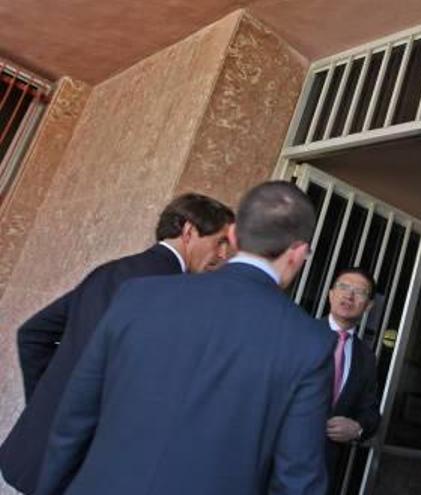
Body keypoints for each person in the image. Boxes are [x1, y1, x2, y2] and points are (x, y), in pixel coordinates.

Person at [35, 181, 334, 495]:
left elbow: (73, 422)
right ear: (299, 253)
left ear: (233, 236)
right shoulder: (309, 342)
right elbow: (298, 480)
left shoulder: (138, 295)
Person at [0, 192, 235, 494]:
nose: (223, 256)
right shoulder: (173, 291)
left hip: (38, 453)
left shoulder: (109, 271)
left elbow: (32, 334)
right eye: (220, 242)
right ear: (188, 231)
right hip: (87, 468)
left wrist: (50, 404)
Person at [324, 267, 381, 493]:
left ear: (368, 306)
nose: (349, 295)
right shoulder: (301, 334)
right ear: (331, 294)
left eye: (359, 291)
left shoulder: (366, 357)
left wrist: (357, 429)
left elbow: (370, 412)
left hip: (326, 467)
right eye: (343, 287)